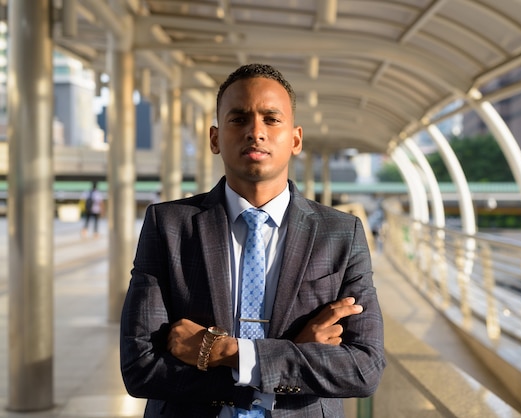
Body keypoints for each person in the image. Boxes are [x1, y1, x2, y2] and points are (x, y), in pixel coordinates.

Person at [120, 63, 386, 417]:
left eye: (271, 119)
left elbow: (364, 368)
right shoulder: (168, 225)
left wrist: (229, 352)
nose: (255, 131)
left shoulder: (341, 233)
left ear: (295, 139)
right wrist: (290, 354)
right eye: (239, 119)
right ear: (215, 138)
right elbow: (140, 368)